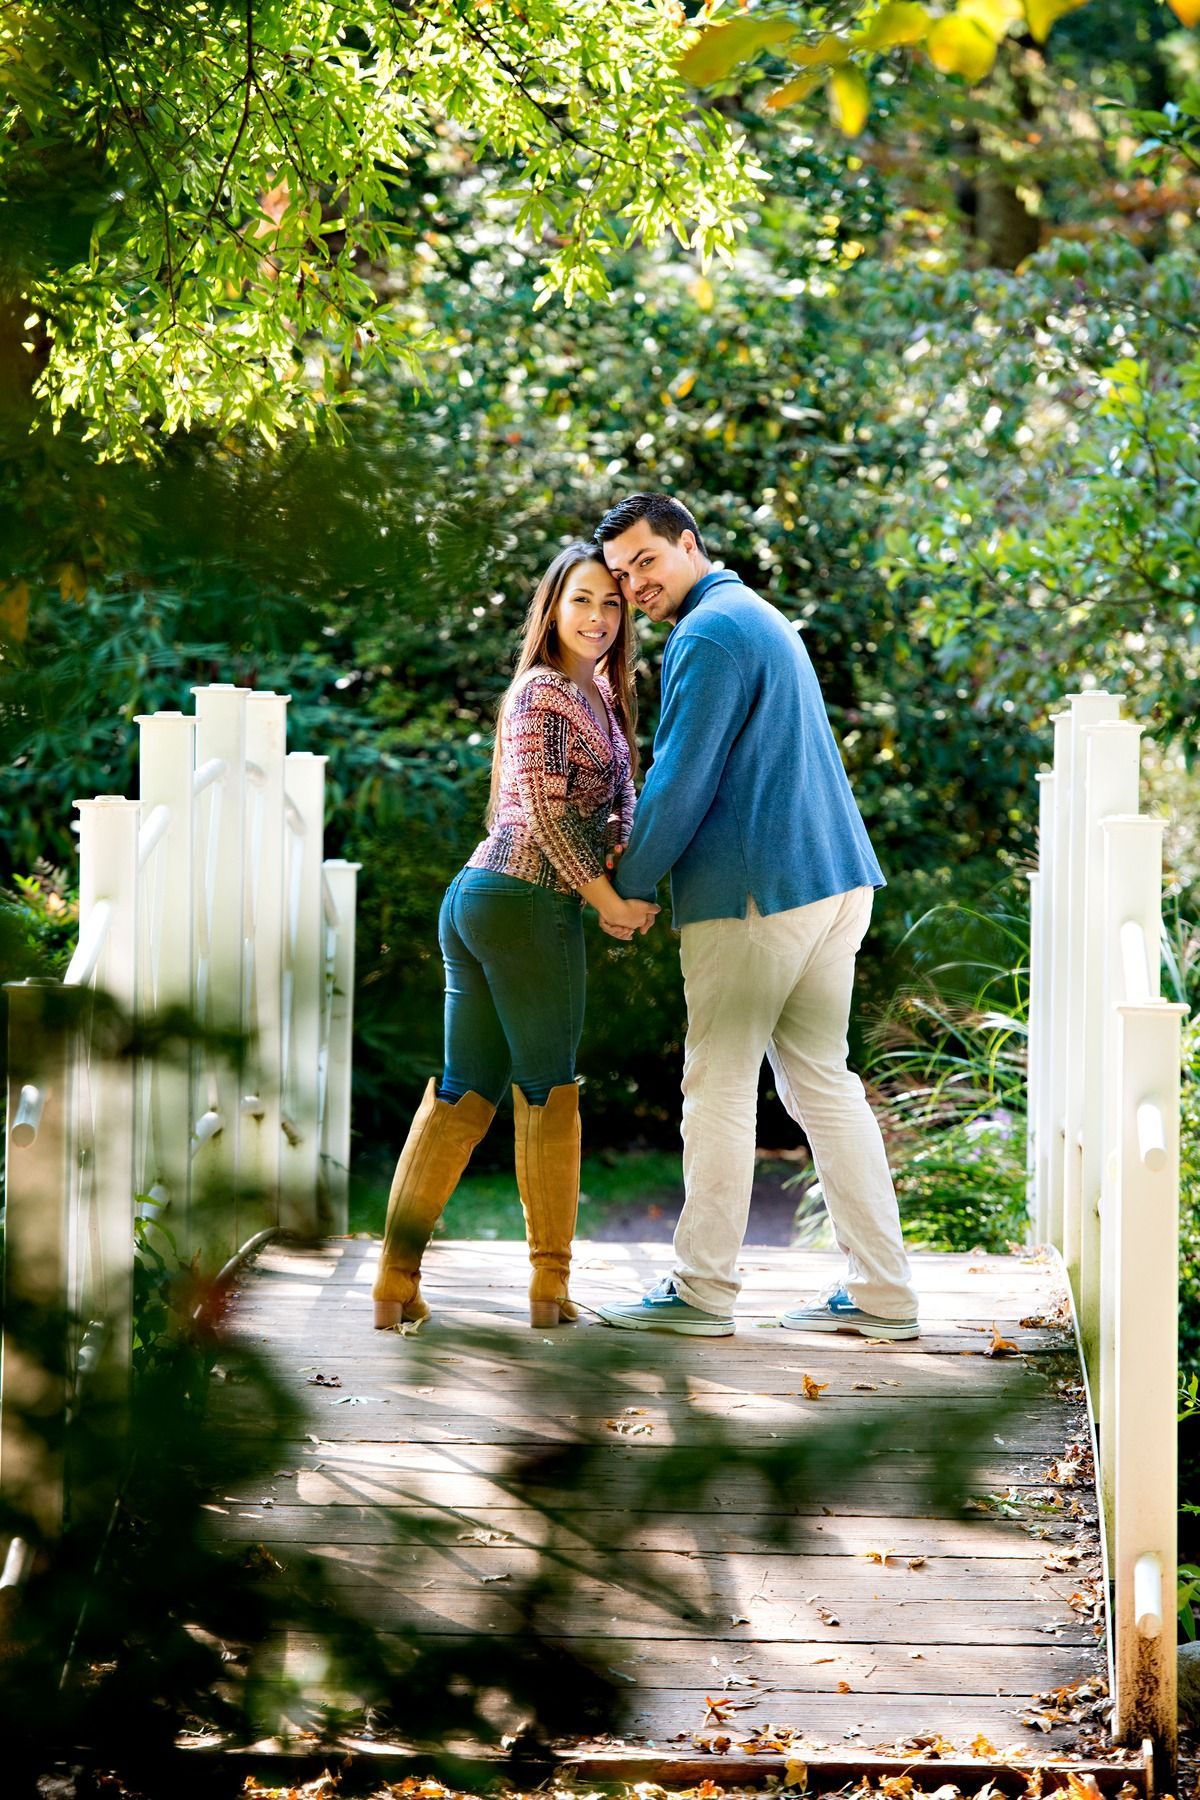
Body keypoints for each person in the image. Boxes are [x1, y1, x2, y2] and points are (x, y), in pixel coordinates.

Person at [590, 494, 918, 1342]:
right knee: (822, 1082)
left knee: (720, 1084)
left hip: (755, 896)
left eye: (646, 563)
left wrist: (627, 884)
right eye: (621, 575)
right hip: (833, 884)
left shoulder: (708, 633)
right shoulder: (755, 615)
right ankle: (885, 1293)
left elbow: (679, 779)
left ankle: (701, 1291)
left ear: (688, 544)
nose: (634, 585)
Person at [372, 543, 658, 1331]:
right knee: (548, 1090)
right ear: (551, 609)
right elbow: (544, 809)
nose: (599, 617)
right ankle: (549, 1287)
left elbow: (618, 801)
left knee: (466, 1090)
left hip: (488, 898)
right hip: (522, 901)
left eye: (611, 603)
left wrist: (620, 869)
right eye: (582, 601)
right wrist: (607, 898)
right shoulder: (541, 693)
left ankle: (395, 1281)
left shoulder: (597, 691)